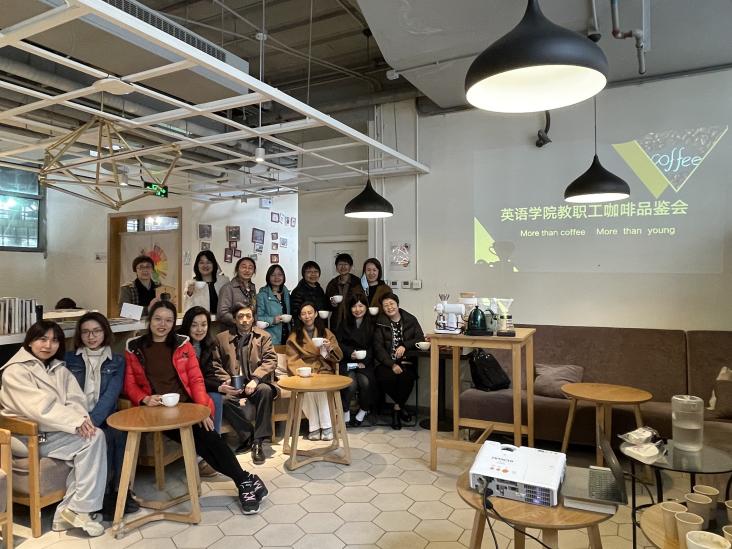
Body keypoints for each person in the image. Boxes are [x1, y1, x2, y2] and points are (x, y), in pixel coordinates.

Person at [123, 301, 267, 514]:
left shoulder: (182, 344)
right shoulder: (134, 347)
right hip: (157, 411)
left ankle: (243, 481)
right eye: (158, 319)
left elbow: (196, 380)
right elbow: (129, 384)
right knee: (204, 441)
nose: (163, 324)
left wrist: (202, 410)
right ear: (149, 320)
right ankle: (246, 480)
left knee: (209, 438)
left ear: (174, 323)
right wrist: (144, 398)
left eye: (168, 320)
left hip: (187, 407)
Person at [0, 321, 107, 537]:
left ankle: (71, 512)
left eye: (54, 340)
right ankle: (77, 510)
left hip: (54, 431)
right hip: (27, 436)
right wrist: (75, 422)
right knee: (93, 439)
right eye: (42, 339)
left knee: (94, 436)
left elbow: (76, 400)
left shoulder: (59, 369)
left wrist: (80, 419)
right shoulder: (15, 371)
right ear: (30, 341)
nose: (48, 345)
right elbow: (38, 408)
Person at [64, 312, 139, 521]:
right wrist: (82, 420)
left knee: (118, 434)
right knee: (102, 436)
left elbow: (111, 395)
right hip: (77, 417)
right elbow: (64, 394)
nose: (91, 337)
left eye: (96, 331)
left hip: (103, 416)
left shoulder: (117, 361)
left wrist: (93, 421)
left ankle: (120, 491)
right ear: (80, 335)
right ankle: (103, 496)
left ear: (105, 332)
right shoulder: (69, 359)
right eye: (86, 332)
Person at [215, 303, 277, 465]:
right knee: (224, 400)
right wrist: (226, 379)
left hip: (255, 384)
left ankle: (258, 442)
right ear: (234, 320)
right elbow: (215, 363)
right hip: (233, 384)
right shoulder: (221, 338)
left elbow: (271, 360)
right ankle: (248, 435)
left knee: (265, 390)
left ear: (253, 318)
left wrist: (255, 379)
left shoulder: (263, 336)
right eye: (240, 317)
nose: (244, 320)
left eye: (248, 316)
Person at [178, 306, 225, 478]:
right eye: (194, 325)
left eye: (204, 325)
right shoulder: (180, 344)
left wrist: (220, 385)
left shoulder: (207, 344)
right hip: (183, 391)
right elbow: (186, 378)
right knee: (208, 400)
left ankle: (213, 448)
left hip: (200, 387)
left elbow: (208, 375)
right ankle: (201, 458)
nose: (200, 329)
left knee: (216, 397)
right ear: (187, 326)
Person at [286, 302, 343, 441]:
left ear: (316, 314)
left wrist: (330, 348)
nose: (307, 316)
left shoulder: (326, 332)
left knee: (322, 389)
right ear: (300, 317)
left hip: (324, 369)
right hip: (304, 371)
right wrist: (306, 372)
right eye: (303, 314)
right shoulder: (294, 336)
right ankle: (314, 427)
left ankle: (327, 427)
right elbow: (292, 359)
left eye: (310, 312)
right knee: (306, 391)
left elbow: (338, 356)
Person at [373, 293, 425, 430]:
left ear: (397, 304)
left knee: (406, 378)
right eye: (386, 305)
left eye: (391, 304)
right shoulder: (380, 322)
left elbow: (420, 338)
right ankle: (401, 408)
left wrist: (405, 345)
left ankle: (396, 409)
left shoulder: (410, 319)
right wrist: (392, 364)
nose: (389, 307)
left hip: (407, 361)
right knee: (384, 377)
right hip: (385, 362)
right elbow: (378, 348)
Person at [336, 294, 376, 427]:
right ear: (349, 308)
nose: (357, 309)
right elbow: (338, 343)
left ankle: (363, 410)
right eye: (354, 306)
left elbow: (375, 346)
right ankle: (345, 411)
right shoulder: (344, 323)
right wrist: (350, 353)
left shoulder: (372, 324)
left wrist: (364, 359)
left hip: (365, 363)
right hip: (348, 361)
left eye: (360, 306)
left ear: (366, 307)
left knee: (365, 382)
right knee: (350, 383)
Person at [325, 253, 365, 333]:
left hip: (354, 323)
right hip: (336, 324)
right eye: (340, 264)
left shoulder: (358, 283)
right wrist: (332, 304)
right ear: (336, 267)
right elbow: (326, 304)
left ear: (350, 267)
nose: (343, 267)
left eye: (346, 264)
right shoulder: (332, 284)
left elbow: (364, 302)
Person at [256, 264, 292, 345]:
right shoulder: (262, 296)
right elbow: (257, 318)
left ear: (283, 276)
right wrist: (273, 320)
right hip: (271, 339)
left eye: (280, 274)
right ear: (268, 277)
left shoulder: (286, 294)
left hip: (287, 337)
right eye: (273, 275)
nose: (277, 277)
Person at [218, 257, 257, 327]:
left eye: (250, 268)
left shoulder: (252, 288)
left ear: (253, 271)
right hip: (231, 330)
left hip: (249, 329)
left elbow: (254, 310)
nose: (247, 270)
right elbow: (222, 313)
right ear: (237, 269)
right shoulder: (228, 288)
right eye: (243, 267)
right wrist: (240, 321)